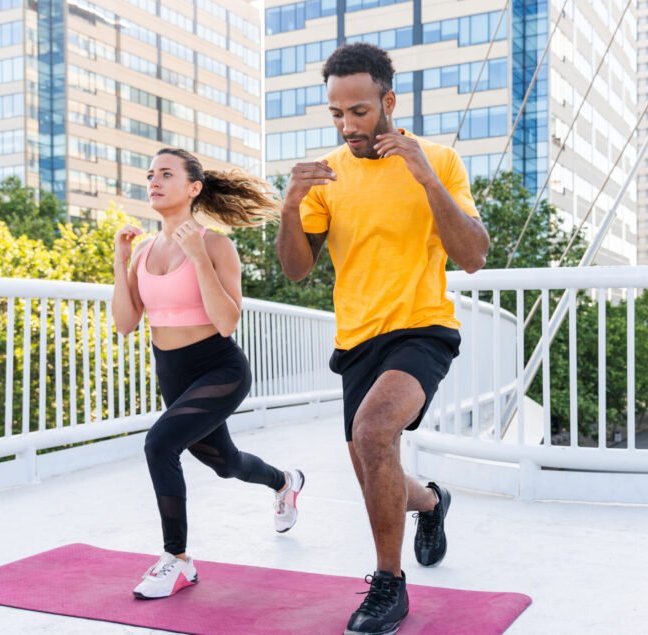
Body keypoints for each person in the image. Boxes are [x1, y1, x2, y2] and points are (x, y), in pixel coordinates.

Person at [276, 43, 490, 635]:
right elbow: (296, 269)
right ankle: (432, 503)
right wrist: (290, 207)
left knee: (373, 432)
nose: (348, 126)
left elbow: (473, 255)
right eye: (337, 114)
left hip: (423, 327)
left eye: (360, 111)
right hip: (357, 340)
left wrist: (425, 177)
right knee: (375, 469)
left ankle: (388, 585)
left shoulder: (438, 160)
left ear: (388, 101)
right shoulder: (327, 176)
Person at [111, 148, 305, 600]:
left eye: (166, 174)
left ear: (194, 188)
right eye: (151, 174)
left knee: (160, 444)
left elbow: (227, 321)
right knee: (226, 464)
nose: (154, 182)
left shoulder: (216, 245)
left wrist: (198, 258)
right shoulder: (143, 252)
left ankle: (177, 560)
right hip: (173, 375)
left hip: (220, 368)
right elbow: (125, 323)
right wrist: (120, 261)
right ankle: (285, 482)